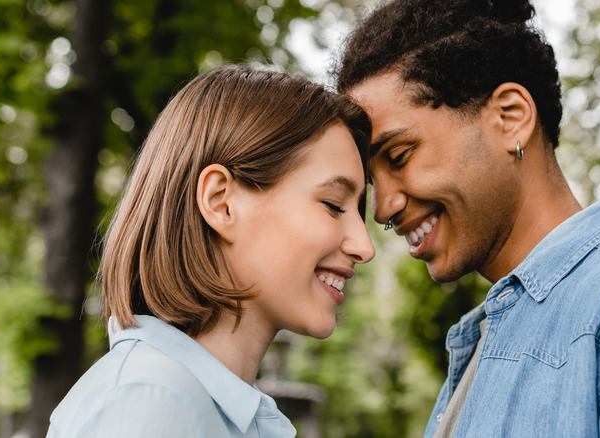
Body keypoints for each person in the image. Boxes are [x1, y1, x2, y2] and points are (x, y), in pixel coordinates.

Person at [336, 0, 600, 436]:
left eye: (399, 155)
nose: (382, 208)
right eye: (373, 180)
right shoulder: (482, 343)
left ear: (510, 118)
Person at [46, 64, 375, 437]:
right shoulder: (152, 402)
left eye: (359, 211)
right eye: (333, 204)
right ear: (221, 203)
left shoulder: (196, 404)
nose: (364, 246)